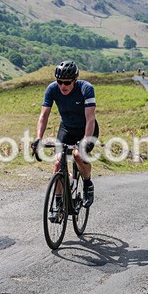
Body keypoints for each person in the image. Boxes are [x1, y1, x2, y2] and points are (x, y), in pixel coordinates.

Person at [32, 61, 98, 220]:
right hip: (67, 128)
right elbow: (44, 116)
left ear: (75, 80)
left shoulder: (86, 88)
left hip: (86, 129)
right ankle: (58, 205)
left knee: (77, 155)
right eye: (59, 81)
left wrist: (86, 142)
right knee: (58, 163)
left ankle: (88, 184)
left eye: (67, 82)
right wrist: (39, 138)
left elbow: (90, 119)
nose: (62, 86)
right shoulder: (52, 89)